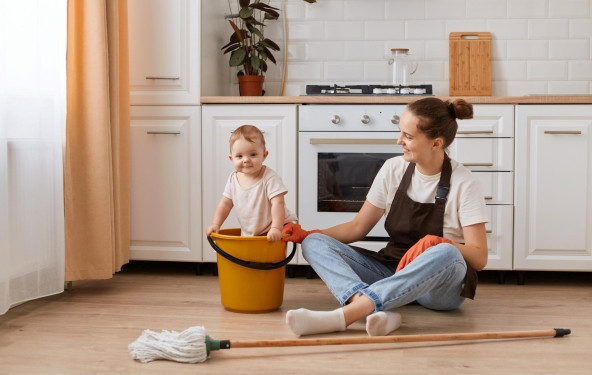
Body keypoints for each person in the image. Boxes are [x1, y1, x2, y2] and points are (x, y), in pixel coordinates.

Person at [282, 97, 488, 337]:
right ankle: (375, 309)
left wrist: (439, 242)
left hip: (438, 289)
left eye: (408, 137)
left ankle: (346, 315)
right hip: (392, 271)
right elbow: (357, 227)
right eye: (401, 132)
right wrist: (306, 234)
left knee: (448, 253)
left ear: (436, 143)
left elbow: (479, 257)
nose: (399, 141)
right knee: (314, 242)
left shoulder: (465, 183)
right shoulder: (393, 169)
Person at [207, 125, 297, 242]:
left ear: (264, 155)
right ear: (231, 158)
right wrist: (216, 224)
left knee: (278, 246)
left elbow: (278, 203)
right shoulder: (233, 179)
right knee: (249, 258)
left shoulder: (269, 178)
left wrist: (276, 228)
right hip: (252, 232)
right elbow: (225, 204)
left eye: (253, 154)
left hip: (279, 226)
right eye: (239, 156)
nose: (246, 160)